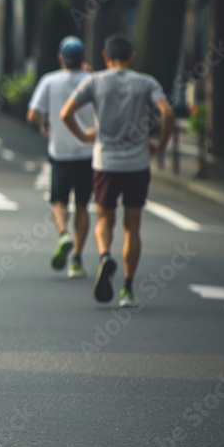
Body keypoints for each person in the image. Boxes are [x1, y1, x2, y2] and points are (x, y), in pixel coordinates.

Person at [60, 34, 174, 308]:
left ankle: (103, 257)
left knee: (103, 220)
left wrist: (85, 137)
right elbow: (167, 113)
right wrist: (160, 146)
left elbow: (66, 113)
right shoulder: (146, 82)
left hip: (106, 163)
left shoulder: (95, 81)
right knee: (132, 226)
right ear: (132, 55)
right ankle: (128, 289)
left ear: (105, 56)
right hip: (137, 164)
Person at [27, 36, 96, 278]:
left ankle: (63, 234)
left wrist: (46, 123)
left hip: (60, 152)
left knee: (59, 201)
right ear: (83, 58)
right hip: (89, 153)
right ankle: (77, 258)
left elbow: (33, 114)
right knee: (83, 204)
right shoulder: (93, 80)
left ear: (60, 58)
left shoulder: (50, 81)